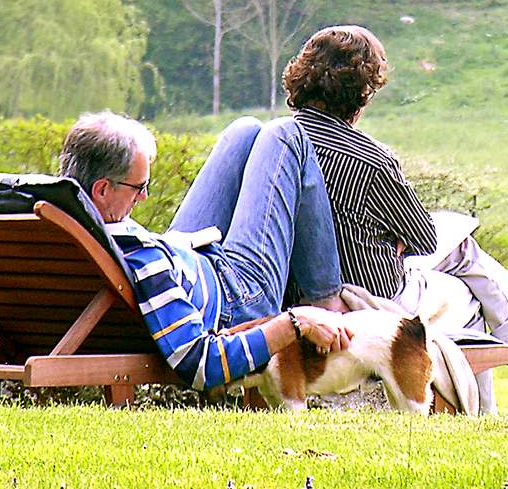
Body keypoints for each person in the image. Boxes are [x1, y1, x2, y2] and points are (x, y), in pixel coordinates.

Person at [281, 24, 508, 356]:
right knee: (464, 271)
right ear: (363, 90)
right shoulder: (371, 160)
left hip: (296, 294)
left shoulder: (278, 147)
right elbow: (425, 240)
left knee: (458, 254)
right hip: (375, 295)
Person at [57, 111, 352, 391]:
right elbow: (201, 363)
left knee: (244, 132)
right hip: (238, 302)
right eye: (138, 187)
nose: (144, 197)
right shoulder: (142, 260)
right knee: (286, 135)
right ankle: (328, 304)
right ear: (102, 190)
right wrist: (297, 321)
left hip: (184, 262)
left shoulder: (62, 222)